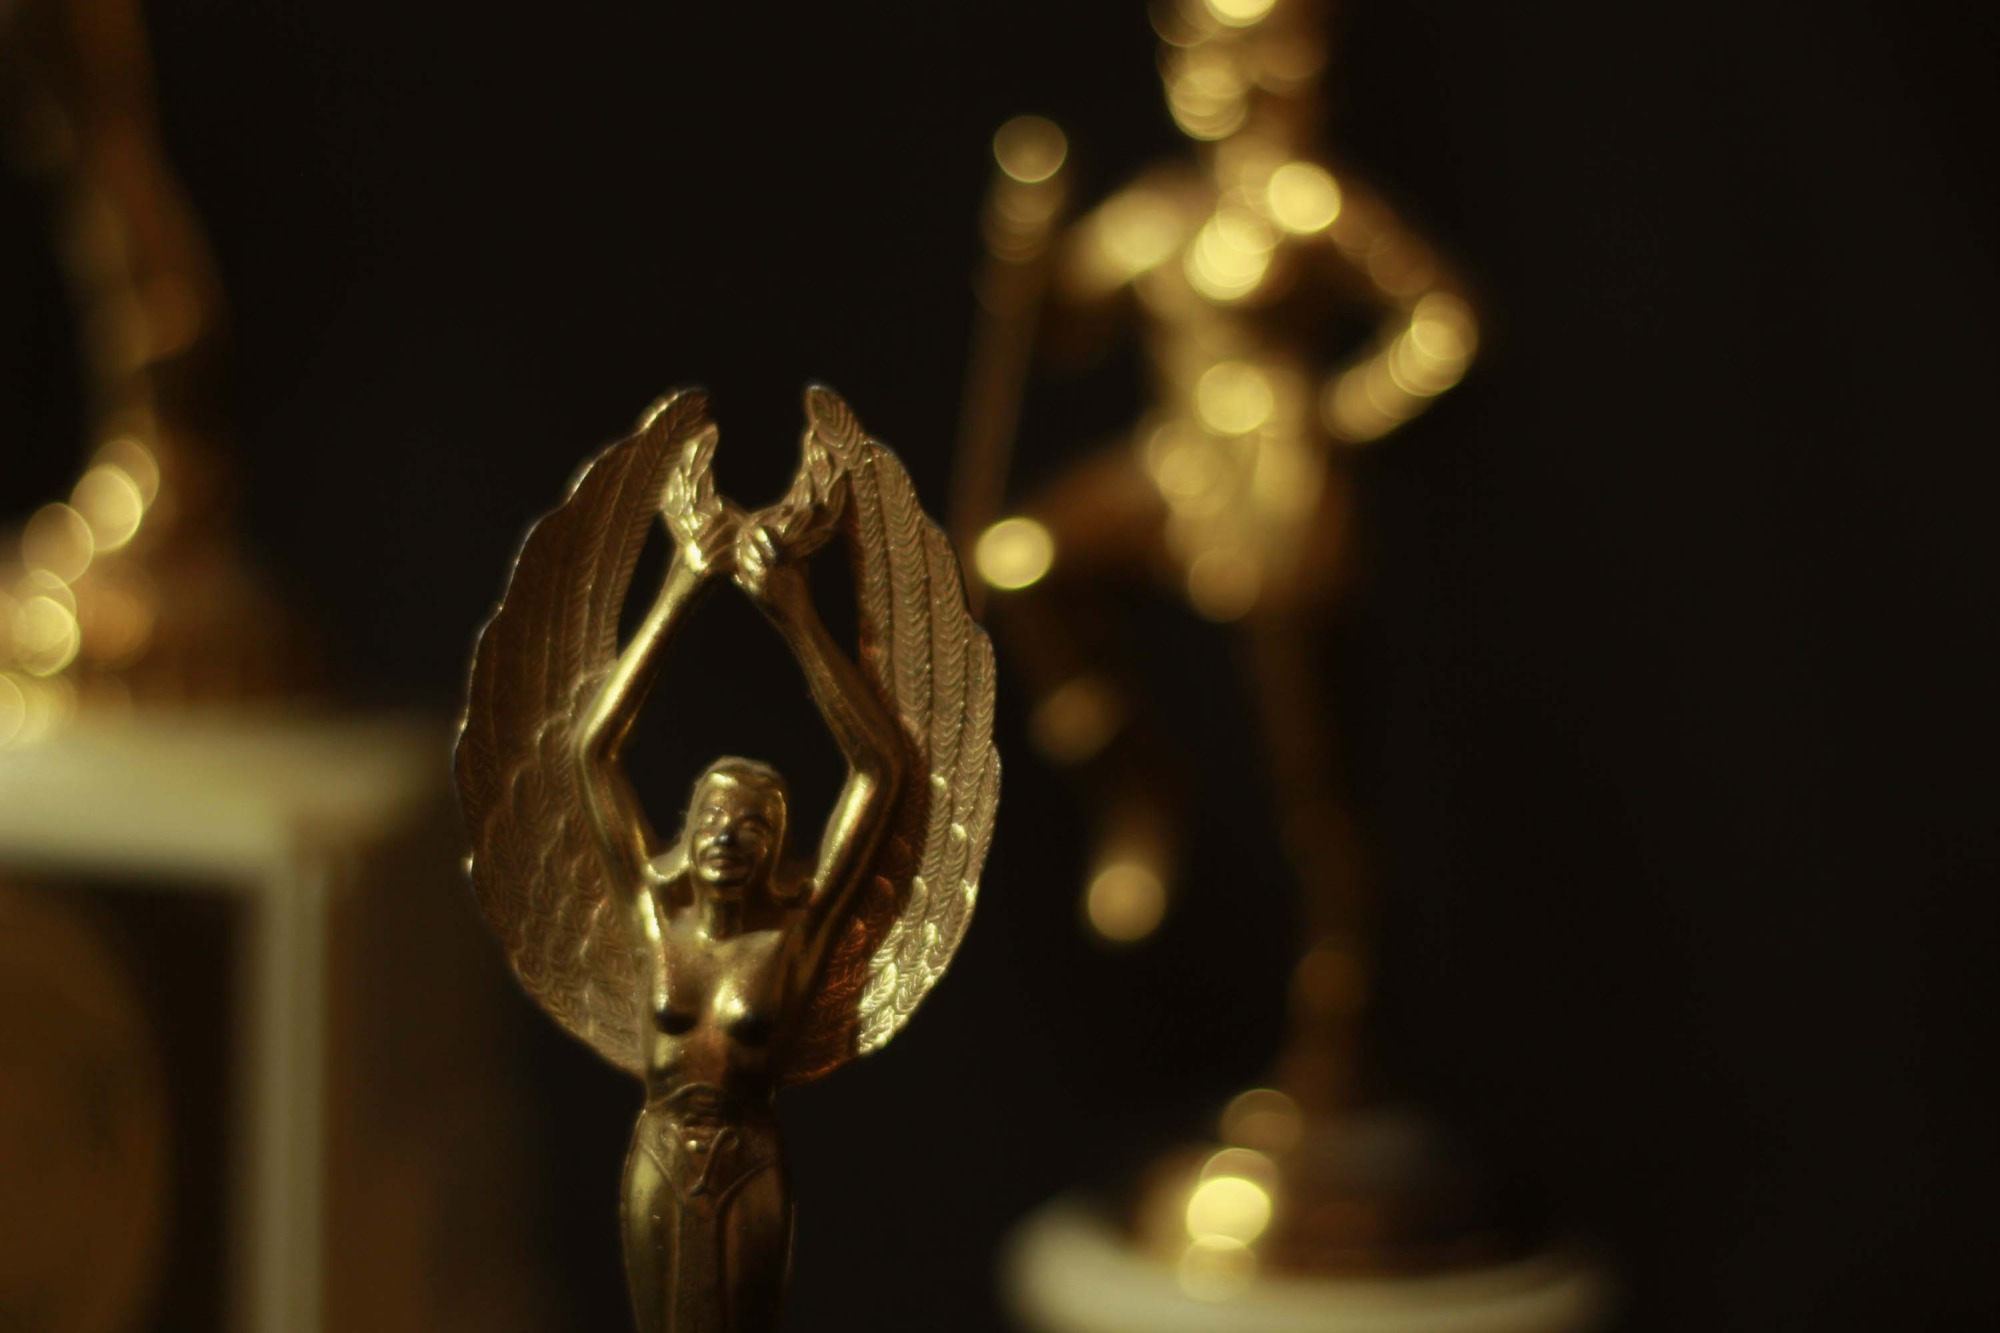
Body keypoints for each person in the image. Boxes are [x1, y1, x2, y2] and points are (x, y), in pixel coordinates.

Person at [572, 515, 904, 1333]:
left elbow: (880, 768)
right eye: (715, 818)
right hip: (658, 1151)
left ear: (778, 851)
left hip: (749, 1156)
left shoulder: (797, 934)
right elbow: (591, 753)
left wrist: (797, 613)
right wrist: (681, 585)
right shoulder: (654, 917)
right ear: (687, 832)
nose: (728, 836)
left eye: (755, 826)